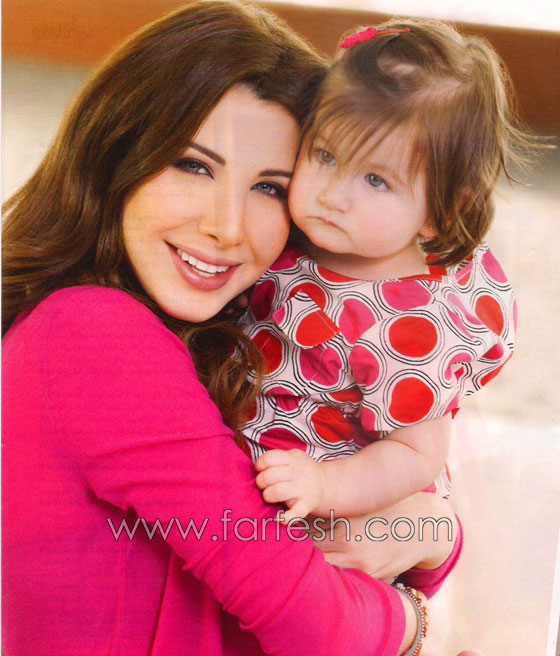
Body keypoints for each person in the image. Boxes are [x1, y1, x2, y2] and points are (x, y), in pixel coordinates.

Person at [2, 3, 463, 655]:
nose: (226, 226)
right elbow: (315, 623)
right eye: (194, 165)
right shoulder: (91, 334)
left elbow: (345, 558)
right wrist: (416, 611)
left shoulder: (235, 339)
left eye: (270, 188)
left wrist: (433, 531)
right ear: (116, 152)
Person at [242, 19, 522, 523]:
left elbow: (416, 455)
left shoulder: (411, 328)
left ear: (441, 213)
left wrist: (325, 485)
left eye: (375, 180)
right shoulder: (299, 230)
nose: (332, 195)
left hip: (336, 506)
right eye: (325, 155)